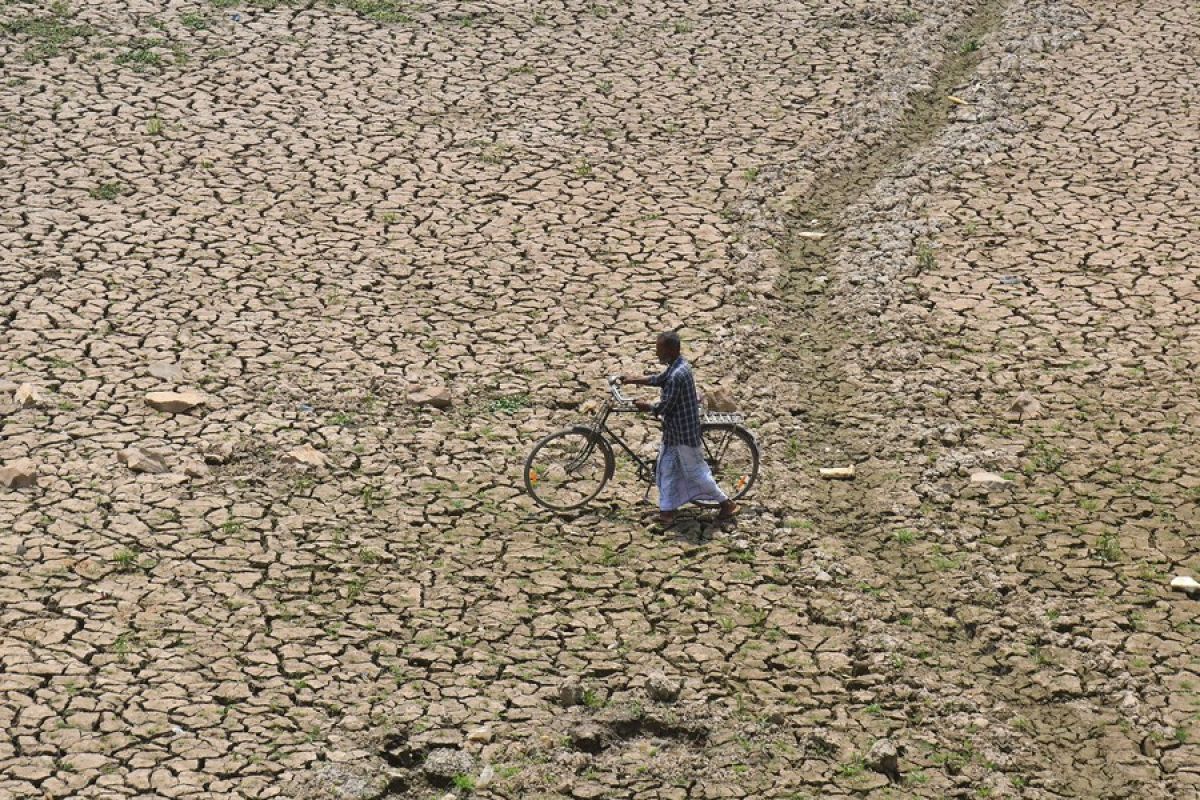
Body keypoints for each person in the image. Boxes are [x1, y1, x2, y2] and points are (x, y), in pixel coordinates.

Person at [622, 331, 738, 526]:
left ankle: (726, 503)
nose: (657, 353)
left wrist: (647, 407)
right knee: (666, 468)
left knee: (696, 472)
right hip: (673, 432)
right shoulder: (678, 365)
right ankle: (667, 511)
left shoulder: (677, 375)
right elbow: (659, 379)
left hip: (683, 433)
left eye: (660, 349)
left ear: (671, 350)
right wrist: (633, 379)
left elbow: (665, 406)